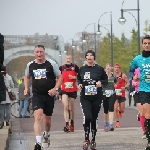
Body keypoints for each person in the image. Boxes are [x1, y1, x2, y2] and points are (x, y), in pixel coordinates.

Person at [24, 45, 62, 150]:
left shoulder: (51, 64)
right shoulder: (30, 65)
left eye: (41, 52)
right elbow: (26, 76)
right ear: (34, 53)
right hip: (37, 94)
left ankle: (47, 134)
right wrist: (26, 88)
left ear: (44, 52)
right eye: (37, 52)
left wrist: (55, 89)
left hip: (49, 95)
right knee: (38, 116)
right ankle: (38, 143)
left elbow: (60, 77)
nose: (39, 54)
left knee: (47, 120)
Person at [77, 50, 108, 150]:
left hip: (97, 97)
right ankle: (86, 139)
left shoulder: (99, 69)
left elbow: (106, 80)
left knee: (94, 118)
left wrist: (101, 82)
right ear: (85, 57)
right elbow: (79, 79)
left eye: (91, 55)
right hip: (85, 97)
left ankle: (93, 140)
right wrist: (80, 84)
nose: (89, 57)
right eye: (87, 55)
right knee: (88, 116)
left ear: (94, 57)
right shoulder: (82, 69)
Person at [129, 35, 150, 150]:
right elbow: (131, 71)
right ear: (142, 45)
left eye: (149, 43)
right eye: (145, 43)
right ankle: (149, 140)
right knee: (147, 115)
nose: (147, 45)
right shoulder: (137, 59)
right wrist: (134, 77)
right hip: (144, 90)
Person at [59, 55, 79, 132]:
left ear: (71, 59)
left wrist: (74, 77)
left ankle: (72, 121)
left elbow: (80, 76)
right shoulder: (62, 68)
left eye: (69, 58)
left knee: (71, 108)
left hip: (73, 90)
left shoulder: (75, 67)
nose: (68, 60)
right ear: (65, 59)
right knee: (65, 106)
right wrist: (60, 79)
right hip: (64, 90)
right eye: (67, 58)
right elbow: (57, 76)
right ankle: (67, 124)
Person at [113, 63, 129, 128]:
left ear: (119, 68)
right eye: (115, 67)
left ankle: (120, 111)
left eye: (118, 67)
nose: (116, 69)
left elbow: (128, 83)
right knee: (115, 108)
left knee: (122, 109)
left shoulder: (123, 75)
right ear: (114, 68)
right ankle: (117, 122)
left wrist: (124, 87)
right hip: (114, 93)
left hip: (121, 93)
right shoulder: (112, 75)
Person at [132, 68, 146, 139]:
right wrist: (134, 82)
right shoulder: (136, 69)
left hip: (147, 92)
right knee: (142, 112)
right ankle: (145, 131)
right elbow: (133, 80)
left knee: (147, 112)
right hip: (138, 92)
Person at [102, 64, 117, 131]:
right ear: (105, 69)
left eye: (109, 67)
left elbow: (116, 83)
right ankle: (106, 123)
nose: (108, 68)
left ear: (111, 68)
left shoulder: (113, 76)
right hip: (104, 93)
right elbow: (99, 83)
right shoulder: (102, 76)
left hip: (112, 93)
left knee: (111, 108)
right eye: (107, 67)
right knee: (105, 109)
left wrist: (115, 85)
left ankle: (111, 124)